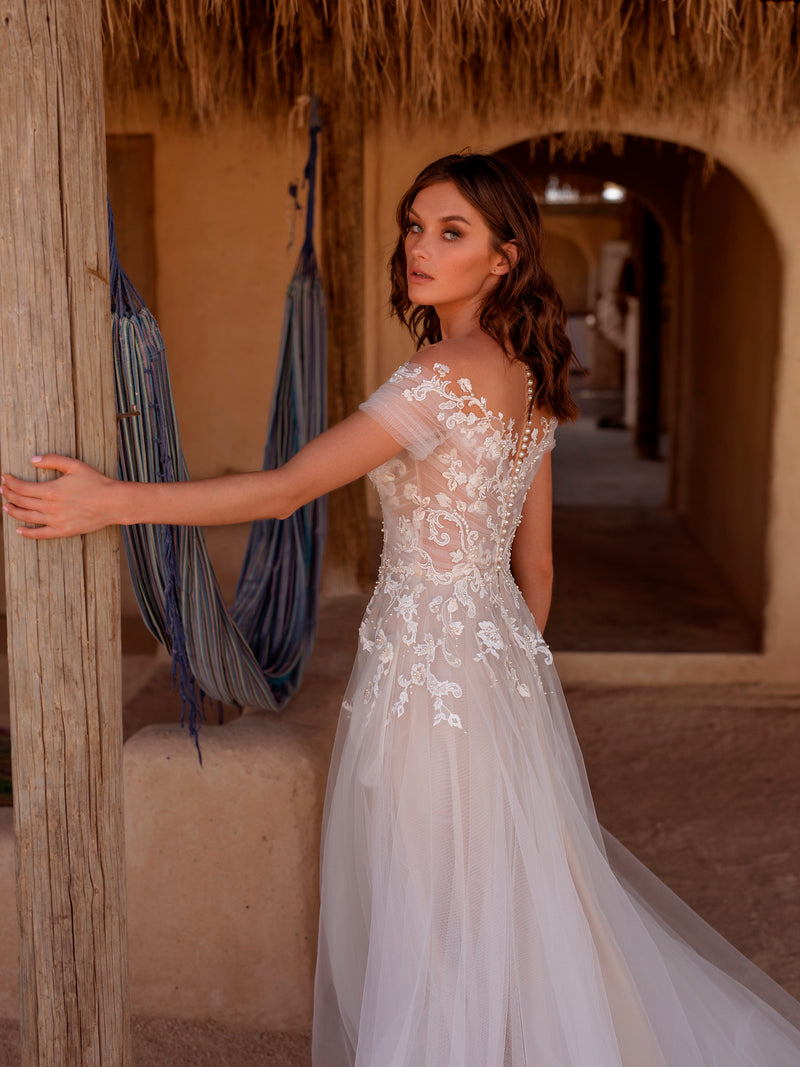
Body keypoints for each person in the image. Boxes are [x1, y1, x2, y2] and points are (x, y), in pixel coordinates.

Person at [2, 153, 800, 1066]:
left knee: (431, 909)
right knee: (498, 896)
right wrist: (500, 677)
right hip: (494, 665)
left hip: (428, 677)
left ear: (504, 258)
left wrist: (115, 502)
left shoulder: (436, 377)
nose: (420, 247)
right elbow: (535, 569)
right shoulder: (529, 375)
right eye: (414, 226)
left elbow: (282, 491)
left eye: (450, 232)